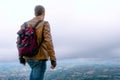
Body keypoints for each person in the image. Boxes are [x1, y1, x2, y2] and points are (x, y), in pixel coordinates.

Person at [19, 5, 57, 80]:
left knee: (34, 74)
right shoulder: (44, 23)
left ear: (35, 13)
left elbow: (19, 41)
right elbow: (48, 41)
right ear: (44, 13)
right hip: (39, 57)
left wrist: (21, 57)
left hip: (28, 57)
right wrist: (53, 59)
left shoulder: (24, 25)